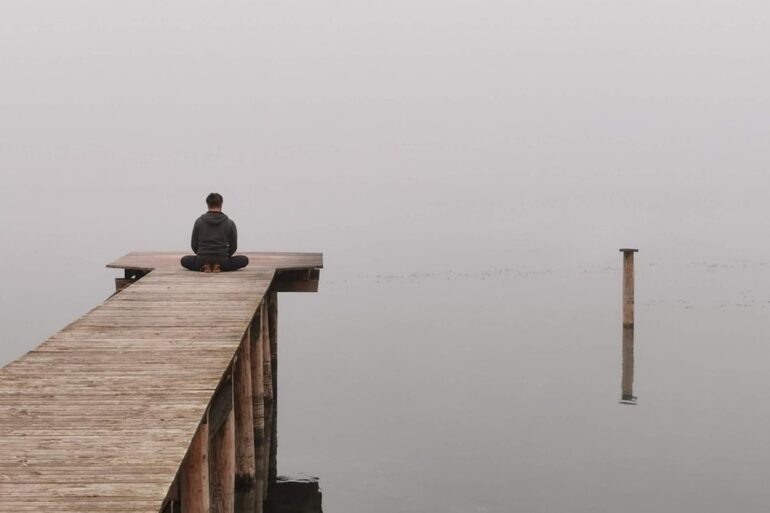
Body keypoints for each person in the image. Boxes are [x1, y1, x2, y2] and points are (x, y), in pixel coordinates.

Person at [180, 193, 249, 272]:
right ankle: (219, 267)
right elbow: (233, 247)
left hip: (202, 260)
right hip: (222, 260)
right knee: (244, 260)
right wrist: (225, 256)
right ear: (221, 204)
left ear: (208, 205)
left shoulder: (199, 221)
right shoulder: (230, 223)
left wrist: (202, 255)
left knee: (184, 260)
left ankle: (205, 266)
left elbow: (194, 245)